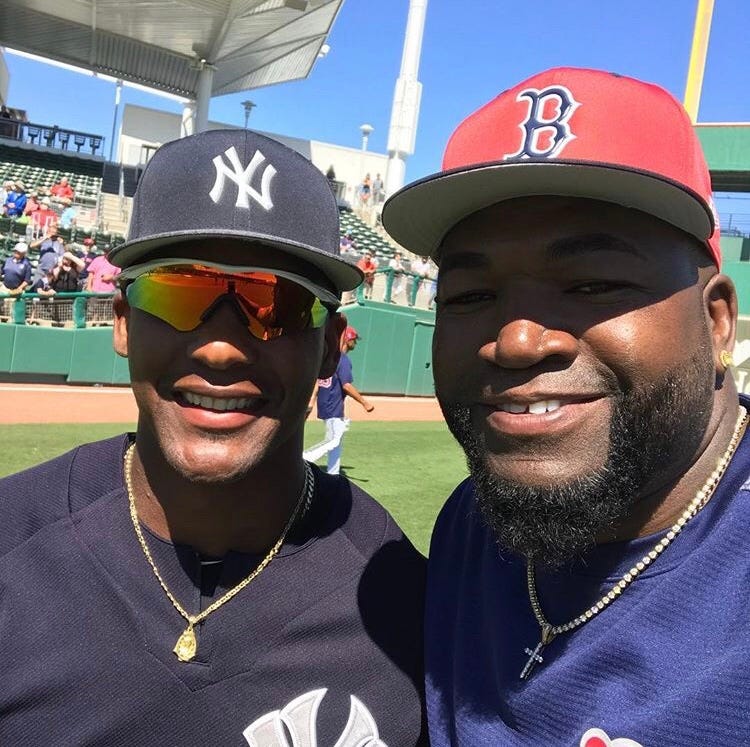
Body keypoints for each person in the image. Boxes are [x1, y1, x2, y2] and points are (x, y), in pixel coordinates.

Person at [0, 128, 426, 745]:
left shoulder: (401, 602)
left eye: (277, 304)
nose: (221, 349)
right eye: (177, 292)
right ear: (123, 322)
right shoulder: (11, 542)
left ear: (330, 348)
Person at [382, 66, 750, 746]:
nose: (518, 340)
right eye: (469, 296)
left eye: (593, 283)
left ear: (717, 322)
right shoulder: (471, 522)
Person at [303, 325, 374, 474]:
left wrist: (312, 401)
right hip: (333, 406)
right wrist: (364, 402)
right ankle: (305, 457)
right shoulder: (343, 360)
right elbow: (346, 385)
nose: (355, 343)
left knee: (337, 442)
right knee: (333, 439)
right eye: (354, 339)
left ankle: (333, 473)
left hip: (327, 403)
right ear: (348, 339)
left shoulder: (330, 358)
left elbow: (318, 382)